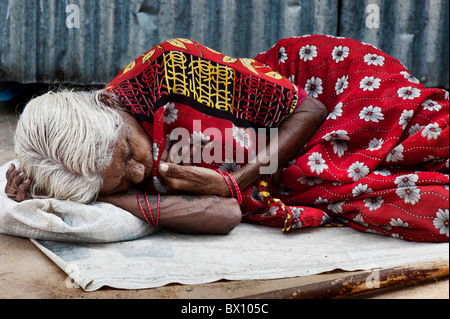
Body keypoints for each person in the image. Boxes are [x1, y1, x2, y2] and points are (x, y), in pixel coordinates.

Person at [5, 35, 449, 242]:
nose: (141, 172)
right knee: (379, 195)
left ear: (108, 110)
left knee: (425, 138)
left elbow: (307, 111)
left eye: (128, 154)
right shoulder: (102, 170)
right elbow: (222, 214)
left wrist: (239, 179)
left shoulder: (174, 67)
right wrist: (93, 199)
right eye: (120, 181)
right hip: (276, 151)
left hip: (320, 90)